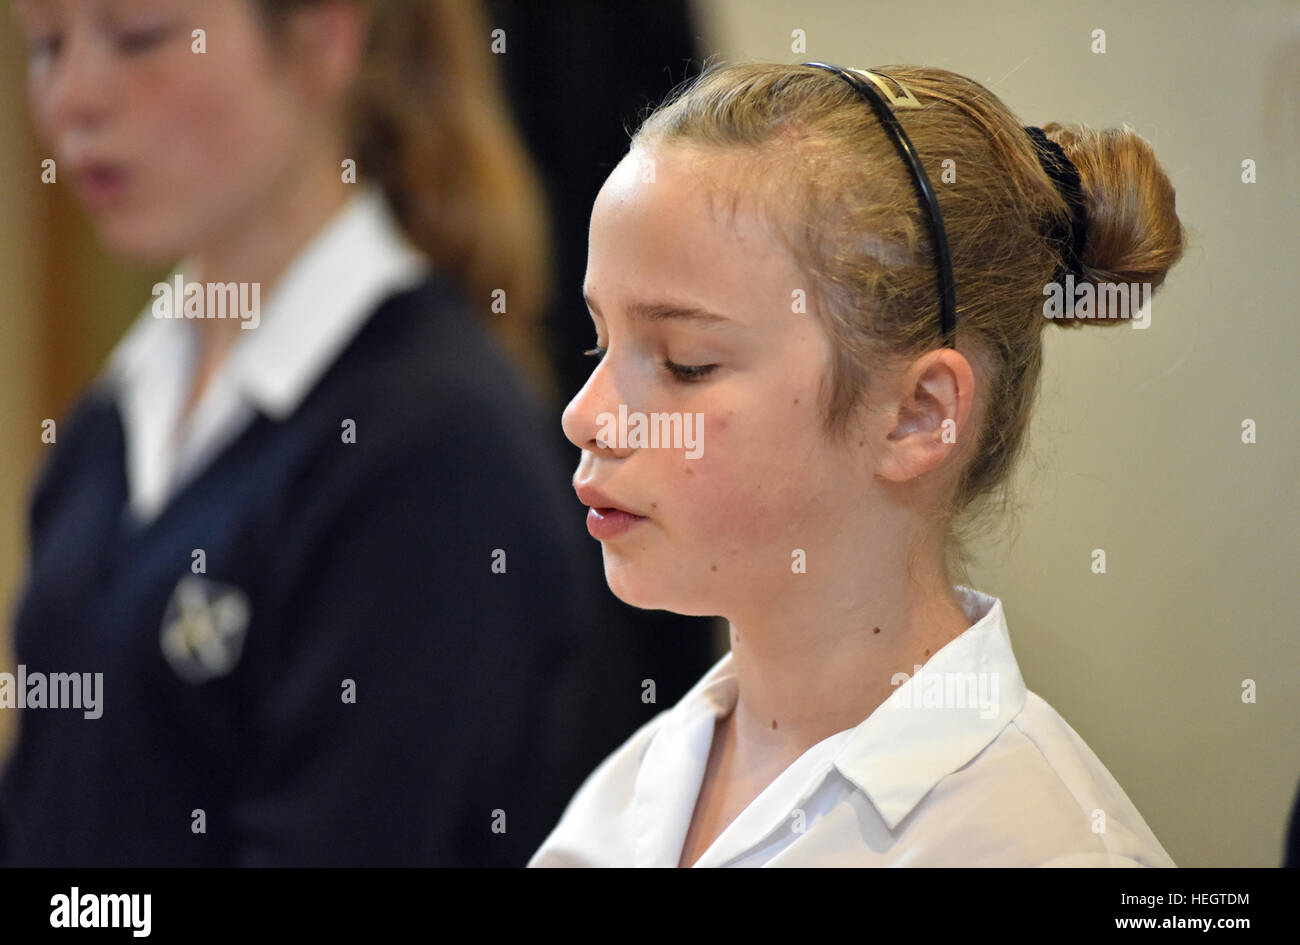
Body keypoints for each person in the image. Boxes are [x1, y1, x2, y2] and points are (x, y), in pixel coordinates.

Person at [529, 61, 1186, 867]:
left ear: (917, 415)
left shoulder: (1046, 847)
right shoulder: (621, 800)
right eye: (601, 341)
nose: (585, 414)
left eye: (685, 362)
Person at [2, 0, 598, 866]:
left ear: (323, 38)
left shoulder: (430, 446)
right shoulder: (110, 425)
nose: (73, 99)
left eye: (138, 37)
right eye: (44, 46)